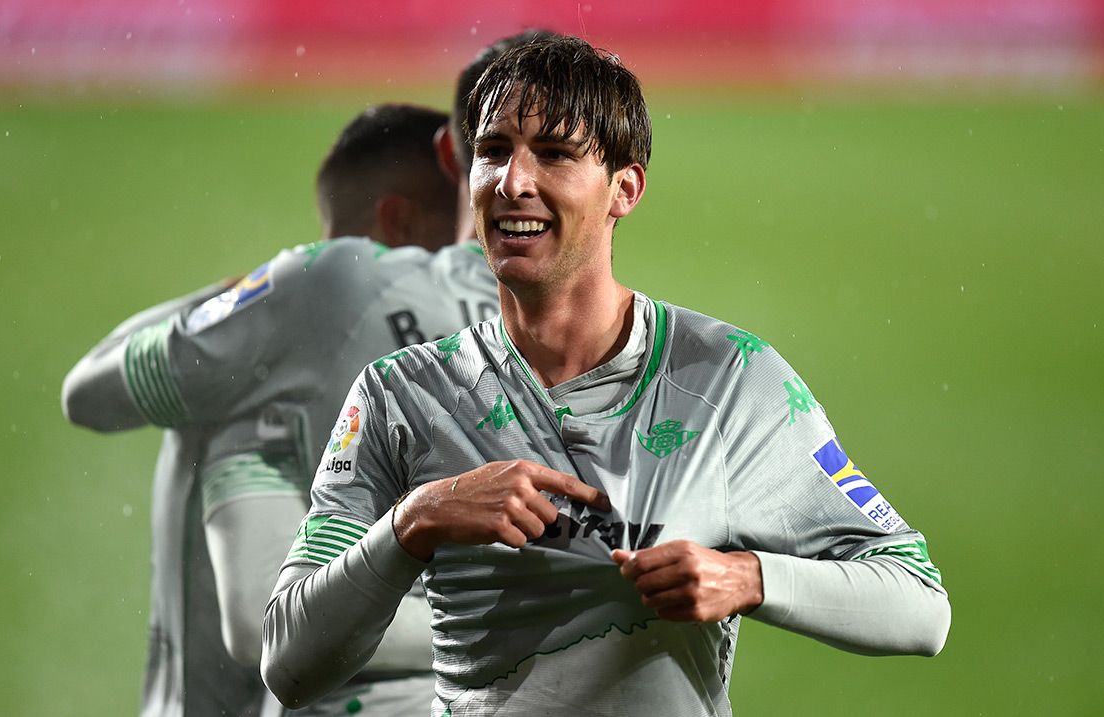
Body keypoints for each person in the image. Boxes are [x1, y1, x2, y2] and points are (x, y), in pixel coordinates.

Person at [262, 35, 951, 717]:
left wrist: (749, 576)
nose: (513, 182)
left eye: (555, 154)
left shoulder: (729, 380)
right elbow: (290, 663)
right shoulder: (400, 395)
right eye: (494, 150)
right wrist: (415, 521)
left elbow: (918, 603)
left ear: (625, 188)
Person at [62, 102, 496, 717]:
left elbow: (91, 389)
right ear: (397, 223)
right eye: (448, 240)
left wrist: (240, 298)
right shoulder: (327, 348)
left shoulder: (251, 365)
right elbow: (264, 622)